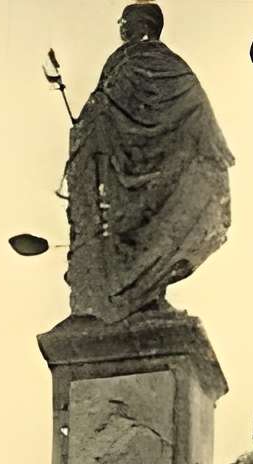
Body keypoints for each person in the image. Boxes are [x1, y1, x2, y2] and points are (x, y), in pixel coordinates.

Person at [65, 6, 234, 323]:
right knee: (153, 235)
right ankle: (146, 295)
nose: (122, 30)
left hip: (121, 183)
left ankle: (136, 297)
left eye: (124, 24)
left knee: (124, 237)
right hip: (162, 185)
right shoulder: (177, 70)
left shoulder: (124, 66)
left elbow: (97, 117)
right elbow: (206, 130)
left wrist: (83, 131)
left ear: (135, 27)